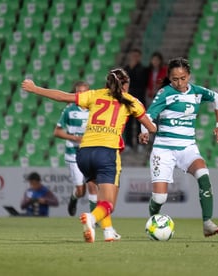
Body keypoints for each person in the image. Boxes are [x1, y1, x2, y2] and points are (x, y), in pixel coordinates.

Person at [21, 68, 156, 242]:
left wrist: (35, 88)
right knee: (109, 204)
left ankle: (108, 232)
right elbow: (151, 127)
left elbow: (63, 97)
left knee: (100, 195)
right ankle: (92, 219)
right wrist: (147, 132)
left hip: (84, 153)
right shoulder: (131, 101)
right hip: (106, 152)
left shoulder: (94, 95)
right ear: (126, 85)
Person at [138, 57, 218, 237]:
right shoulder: (165, 93)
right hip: (164, 149)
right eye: (175, 79)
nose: (179, 82)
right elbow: (147, 115)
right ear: (169, 78)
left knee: (204, 176)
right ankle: (153, 221)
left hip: (187, 148)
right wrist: (144, 130)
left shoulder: (197, 92)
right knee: (160, 198)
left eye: (183, 78)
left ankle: (207, 223)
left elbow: (216, 97)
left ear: (189, 76)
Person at [53, 81, 98, 216]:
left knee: (92, 186)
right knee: (80, 190)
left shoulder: (95, 109)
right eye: (78, 92)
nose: (81, 95)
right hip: (73, 153)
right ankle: (74, 198)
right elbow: (57, 132)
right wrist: (74, 138)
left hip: (90, 152)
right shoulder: (69, 109)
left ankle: (93, 218)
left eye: (84, 92)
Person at [123, 48, 148, 151]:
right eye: (133, 56)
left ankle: (140, 143)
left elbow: (142, 82)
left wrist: (133, 69)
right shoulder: (125, 69)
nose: (134, 58)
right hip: (128, 99)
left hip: (139, 98)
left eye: (137, 56)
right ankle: (128, 143)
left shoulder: (143, 69)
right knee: (128, 122)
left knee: (139, 122)